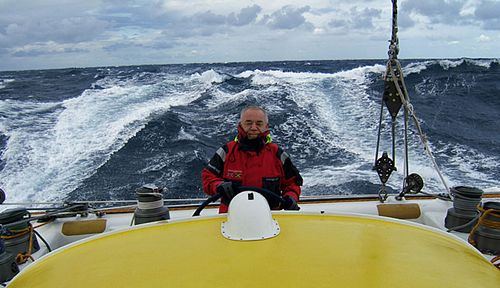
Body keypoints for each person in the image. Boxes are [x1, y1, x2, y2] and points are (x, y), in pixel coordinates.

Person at [202, 105, 303, 213]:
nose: (254, 127)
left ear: (266, 126)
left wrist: (291, 197)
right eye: (248, 123)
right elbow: (208, 177)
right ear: (240, 125)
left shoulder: (278, 154)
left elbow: (292, 183)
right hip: (230, 219)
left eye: (259, 124)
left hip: (271, 219)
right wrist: (218, 186)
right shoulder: (226, 152)